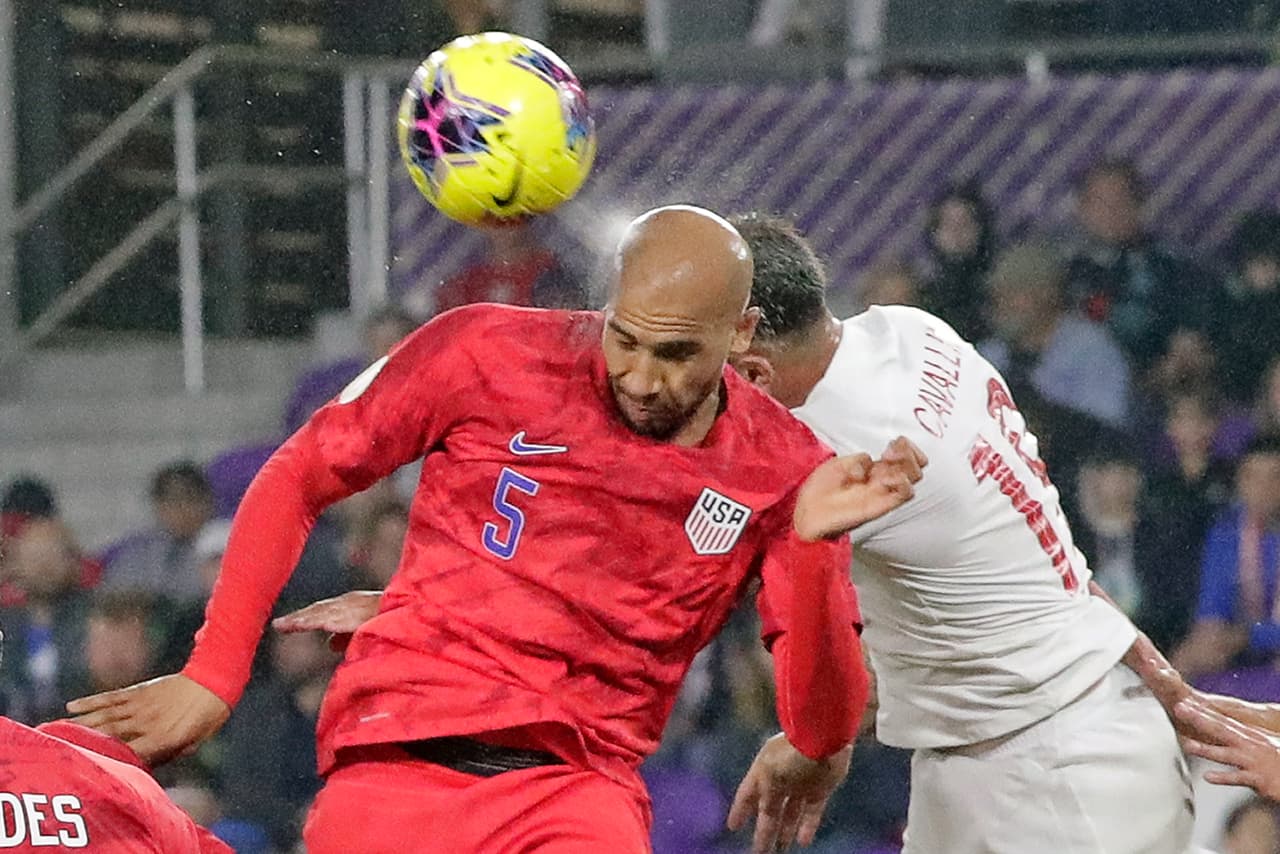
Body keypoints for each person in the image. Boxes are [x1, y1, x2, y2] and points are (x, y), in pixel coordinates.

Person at [277, 212, 1194, 853]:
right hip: (1012, 734)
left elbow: (647, 589)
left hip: (1059, 764)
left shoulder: (835, 446)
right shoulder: (913, 334)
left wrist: (809, 742)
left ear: (745, 353)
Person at [68, 205, 926, 854]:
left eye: (676, 355)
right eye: (626, 340)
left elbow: (820, 728)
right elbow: (298, 473)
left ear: (740, 335)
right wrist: (216, 673)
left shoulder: (784, 468)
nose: (640, 375)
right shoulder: (483, 350)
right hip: (393, 764)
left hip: (573, 796)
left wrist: (813, 551)